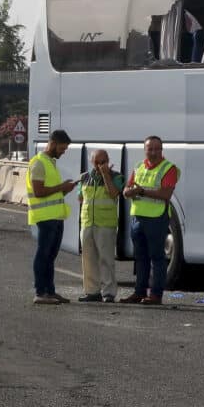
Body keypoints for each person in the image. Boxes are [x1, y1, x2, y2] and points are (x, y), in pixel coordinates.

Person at [120, 136, 179, 305]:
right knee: (140, 258)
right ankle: (139, 293)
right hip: (137, 218)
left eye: (156, 149)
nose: (153, 152)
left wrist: (141, 191)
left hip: (156, 218)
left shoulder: (169, 168)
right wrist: (128, 192)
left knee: (157, 258)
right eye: (150, 149)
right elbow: (127, 189)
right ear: (145, 150)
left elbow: (166, 194)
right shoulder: (139, 166)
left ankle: (155, 295)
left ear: (162, 150)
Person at [27, 129, 76, 305]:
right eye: (62, 148)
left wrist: (65, 188)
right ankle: (40, 292)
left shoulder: (50, 162)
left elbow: (52, 192)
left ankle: (50, 291)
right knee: (43, 254)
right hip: (45, 217)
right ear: (53, 143)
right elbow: (39, 191)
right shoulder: (39, 163)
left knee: (50, 256)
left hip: (55, 216)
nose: (63, 152)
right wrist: (61, 187)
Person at [77, 149, 124, 303]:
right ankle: (92, 291)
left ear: (108, 161)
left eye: (103, 162)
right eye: (97, 162)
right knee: (88, 259)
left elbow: (113, 193)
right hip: (87, 223)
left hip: (106, 224)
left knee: (106, 259)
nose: (100, 165)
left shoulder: (117, 177)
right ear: (92, 162)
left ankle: (109, 292)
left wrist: (106, 175)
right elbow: (80, 197)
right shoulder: (84, 177)